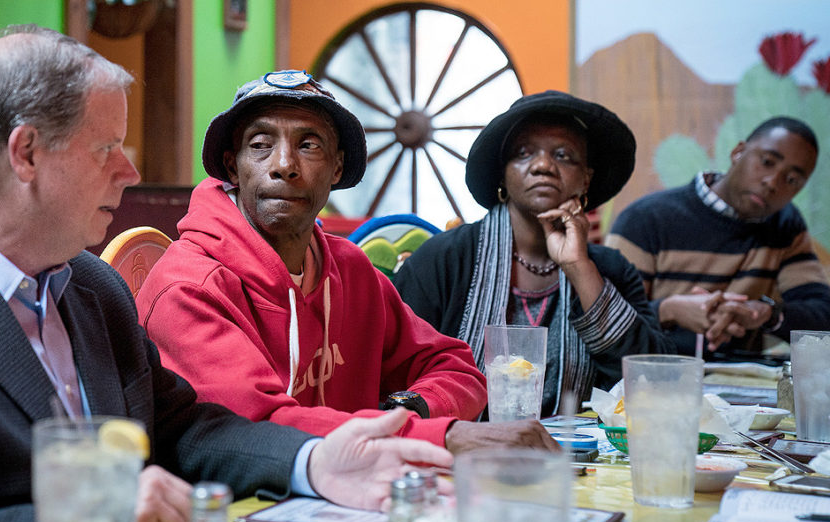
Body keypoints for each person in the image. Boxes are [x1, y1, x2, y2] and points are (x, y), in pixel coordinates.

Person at [0, 26, 456, 522]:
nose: (132, 170)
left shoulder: (92, 288)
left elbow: (182, 428)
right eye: (108, 147)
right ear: (26, 153)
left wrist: (314, 462)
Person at [136, 70, 558, 454]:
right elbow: (257, 431)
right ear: (233, 166)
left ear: (337, 167)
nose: (284, 165)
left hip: (350, 507)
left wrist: (408, 411)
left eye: (309, 145)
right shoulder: (190, 286)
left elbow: (457, 367)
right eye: (261, 146)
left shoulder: (351, 271)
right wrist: (440, 435)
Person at [394, 91, 674, 417]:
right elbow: (394, 374)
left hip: (575, 460)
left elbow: (656, 384)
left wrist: (579, 267)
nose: (543, 165)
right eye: (524, 153)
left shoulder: (609, 270)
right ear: (503, 174)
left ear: (586, 180)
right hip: (458, 453)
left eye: (563, 155)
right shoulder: (445, 259)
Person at [605, 117, 830, 357]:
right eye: (766, 162)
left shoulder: (785, 225)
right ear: (738, 152)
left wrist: (765, 313)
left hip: (742, 385)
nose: (772, 182)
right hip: (654, 381)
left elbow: (823, 316)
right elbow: (604, 322)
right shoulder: (645, 219)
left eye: (792, 180)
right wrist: (669, 311)